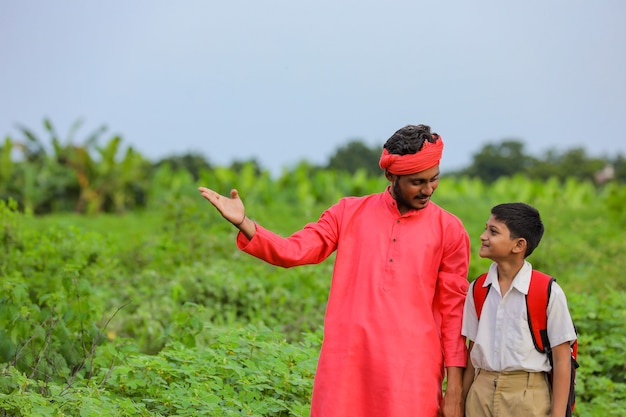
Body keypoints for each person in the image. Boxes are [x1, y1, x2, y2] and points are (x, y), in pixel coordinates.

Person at [198, 124, 470, 417]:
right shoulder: (348, 212)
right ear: (391, 176)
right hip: (347, 365)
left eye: (434, 179)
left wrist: (453, 387)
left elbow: (453, 314)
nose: (428, 189)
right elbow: (295, 250)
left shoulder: (450, 229)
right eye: (417, 182)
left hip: (411, 371)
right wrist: (244, 223)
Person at [461, 202, 578, 417]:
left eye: (493, 231)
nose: (483, 236)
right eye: (486, 228)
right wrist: (460, 403)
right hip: (481, 391)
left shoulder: (547, 291)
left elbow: (562, 360)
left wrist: (558, 414)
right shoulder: (477, 289)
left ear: (518, 245)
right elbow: (472, 352)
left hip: (528, 396)